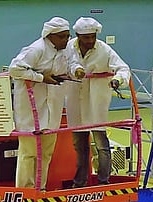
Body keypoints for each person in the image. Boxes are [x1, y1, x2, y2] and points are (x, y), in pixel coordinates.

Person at [65, 17, 131, 188]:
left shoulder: (104, 50)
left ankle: (103, 181)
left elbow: (123, 69)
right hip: (75, 102)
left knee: (101, 144)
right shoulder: (68, 48)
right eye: (86, 37)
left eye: (93, 37)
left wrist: (117, 80)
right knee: (80, 146)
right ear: (78, 35)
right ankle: (80, 182)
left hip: (96, 102)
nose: (90, 41)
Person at [9, 17, 74, 190]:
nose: (66, 40)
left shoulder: (66, 51)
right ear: (50, 36)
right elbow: (14, 69)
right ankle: (25, 191)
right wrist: (40, 77)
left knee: (46, 153)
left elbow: (71, 66)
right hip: (31, 110)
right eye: (62, 37)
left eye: (68, 36)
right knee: (29, 153)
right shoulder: (36, 49)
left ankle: (40, 188)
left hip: (53, 108)